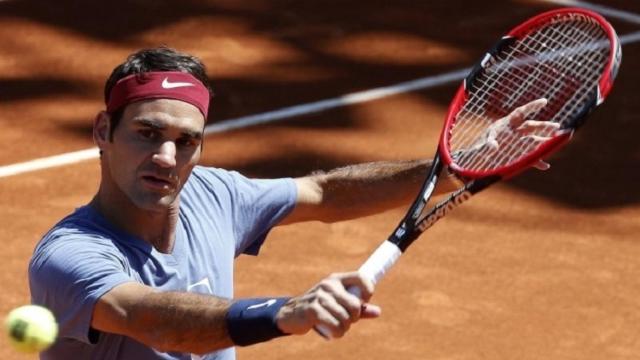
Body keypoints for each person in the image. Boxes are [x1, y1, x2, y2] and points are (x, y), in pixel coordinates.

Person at [28, 47, 555, 360]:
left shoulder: (214, 195)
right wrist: (284, 312)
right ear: (104, 131)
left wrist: (457, 164)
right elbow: (156, 321)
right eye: (146, 133)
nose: (166, 157)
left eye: (186, 140)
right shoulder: (69, 255)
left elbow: (325, 191)